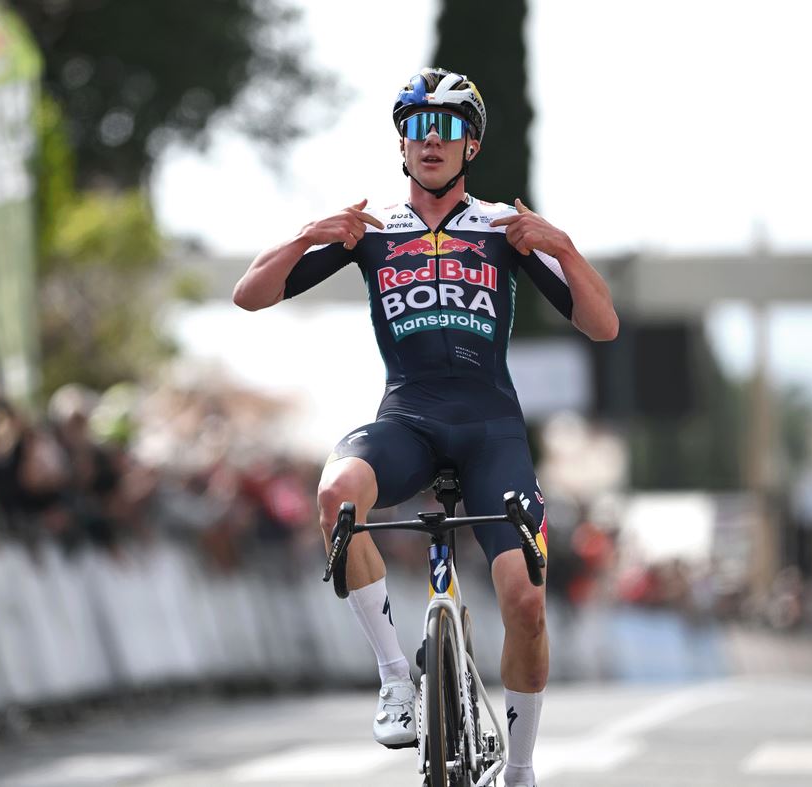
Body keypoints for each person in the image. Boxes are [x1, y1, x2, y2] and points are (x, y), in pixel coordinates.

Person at [233, 67, 618, 787]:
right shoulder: (373, 230)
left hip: (491, 432)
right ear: (401, 144)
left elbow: (602, 324)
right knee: (335, 495)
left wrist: (561, 247)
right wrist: (309, 234)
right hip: (406, 421)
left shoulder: (501, 228)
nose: (429, 140)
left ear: (470, 145)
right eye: (415, 127)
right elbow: (249, 294)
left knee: (525, 601)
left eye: (445, 128)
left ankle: (520, 769)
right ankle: (394, 679)